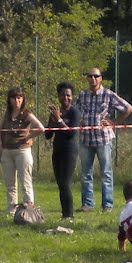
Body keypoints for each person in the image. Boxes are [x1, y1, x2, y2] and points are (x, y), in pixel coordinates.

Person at [75, 67, 132, 212]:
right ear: (87, 78)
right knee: (86, 173)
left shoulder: (108, 94)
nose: (93, 79)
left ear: (101, 78)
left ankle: (107, 205)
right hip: (86, 139)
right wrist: (79, 120)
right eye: (90, 76)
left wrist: (114, 122)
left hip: (103, 139)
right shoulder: (82, 95)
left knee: (106, 172)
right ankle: (88, 204)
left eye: (96, 76)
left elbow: (128, 108)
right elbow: (75, 111)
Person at [0, 86, 44, 212]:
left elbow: (40, 128)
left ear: (23, 99)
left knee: (25, 182)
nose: (17, 101)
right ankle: (11, 209)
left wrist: (29, 136)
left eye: (19, 98)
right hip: (7, 152)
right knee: (10, 184)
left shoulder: (27, 114)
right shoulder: (7, 114)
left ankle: (29, 210)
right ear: (9, 100)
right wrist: (0, 144)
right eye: (14, 98)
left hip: (22, 151)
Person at [45, 81, 81, 220]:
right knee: (60, 183)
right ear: (58, 96)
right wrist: (52, 121)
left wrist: (59, 120)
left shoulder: (74, 112)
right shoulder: (56, 112)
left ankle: (69, 214)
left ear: (72, 96)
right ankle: (64, 213)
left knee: (65, 182)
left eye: (68, 95)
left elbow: (71, 133)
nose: (66, 98)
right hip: (57, 150)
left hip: (69, 151)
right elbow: (48, 135)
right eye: (63, 95)